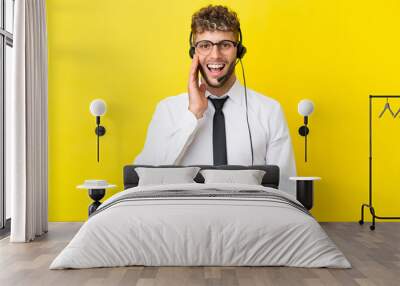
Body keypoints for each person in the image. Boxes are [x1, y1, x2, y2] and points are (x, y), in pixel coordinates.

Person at [134, 5, 297, 196]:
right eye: (205, 45)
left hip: (248, 221)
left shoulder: (269, 111)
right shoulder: (168, 110)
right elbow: (145, 181)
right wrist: (193, 115)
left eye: (225, 44)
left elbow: (286, 187)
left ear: (239, 51)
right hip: (186, 220)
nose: (215, 55)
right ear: (193, 53)